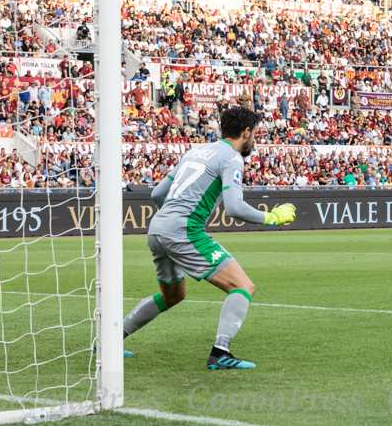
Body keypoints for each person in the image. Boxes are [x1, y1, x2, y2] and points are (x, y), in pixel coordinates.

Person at [120, 107, 297, 368]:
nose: (254, 140)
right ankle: (220, 353)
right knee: (243, 286)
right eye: (254, 134)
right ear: (246, 132)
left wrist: (171, 220)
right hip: (184, 231)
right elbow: (234, 208)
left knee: (172, 296)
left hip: (157, 228)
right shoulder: (232, 157)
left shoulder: (195, 151)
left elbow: (157, 193)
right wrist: (271, 217)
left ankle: (107, 342)